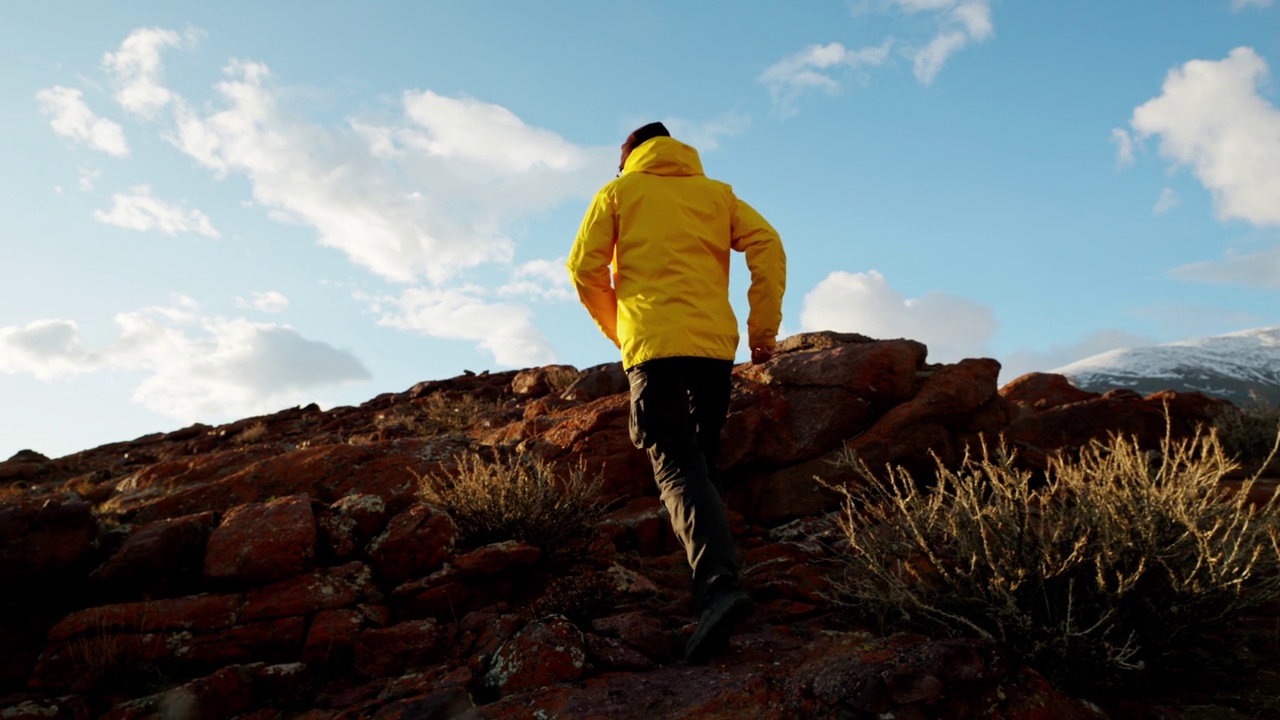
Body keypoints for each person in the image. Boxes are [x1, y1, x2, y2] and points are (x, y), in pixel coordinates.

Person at [566, 121, 786, 663]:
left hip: (655, 349)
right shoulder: (716, 194)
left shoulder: (618, 192)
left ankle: (718, 589)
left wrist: (622, 332)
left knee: (676, 465)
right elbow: (768, 245)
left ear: (629, 156)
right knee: (701, 460)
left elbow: (583, 268)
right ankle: (715, 575)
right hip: (713, 349)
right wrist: (763, 333)